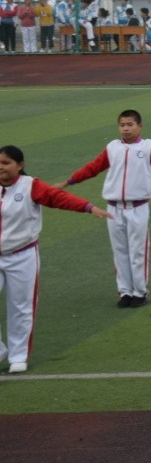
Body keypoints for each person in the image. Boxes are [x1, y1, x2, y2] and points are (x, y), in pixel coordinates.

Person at [64, 109, 151, 307]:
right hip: (113, 208)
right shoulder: (112, 147)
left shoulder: (149, 147)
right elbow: (92, 168)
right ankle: (125, 291)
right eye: (122, 125)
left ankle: (140, 292)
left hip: (138, 207)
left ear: (139, 126)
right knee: (120, 251)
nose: (126, 129)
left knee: (138, 251)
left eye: (130, 125)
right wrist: (69, 181)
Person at [0, 145, 113, 373]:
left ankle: (18, 356)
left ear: (20, 165)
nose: (1, 167)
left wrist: (88, 207)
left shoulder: (31, 186)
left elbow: (58, 198)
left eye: (5, 163)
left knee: (21, 307)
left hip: (22, 255)